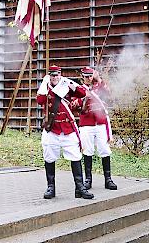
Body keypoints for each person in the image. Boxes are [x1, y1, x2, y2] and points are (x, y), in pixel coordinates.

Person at [36, 65, 94, 200]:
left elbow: (82, 93)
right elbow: (40, 100)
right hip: (52, 128)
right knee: (49, 157)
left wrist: (69, 83)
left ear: (60, 74)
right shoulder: (46, 88)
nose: (54, 77)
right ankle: (51, 187)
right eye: (52, 75)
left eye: (56, 75)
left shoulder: (65, 85)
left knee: (75, 157)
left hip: (67, 128)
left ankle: (80, 188)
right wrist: (44, 84)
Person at [79, 67, 117, 191]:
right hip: (86, 124)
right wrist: (84, 98)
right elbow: (75, 105)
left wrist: (99, 79)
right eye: (86, 76)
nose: (88, 78)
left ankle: (108, 179)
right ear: (82, 77)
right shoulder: (79, 89)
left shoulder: (99, 86)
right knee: (87, 151)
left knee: (104, 149)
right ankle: (88, 179)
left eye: (90, 76)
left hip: (100, 123)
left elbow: (109, 94)